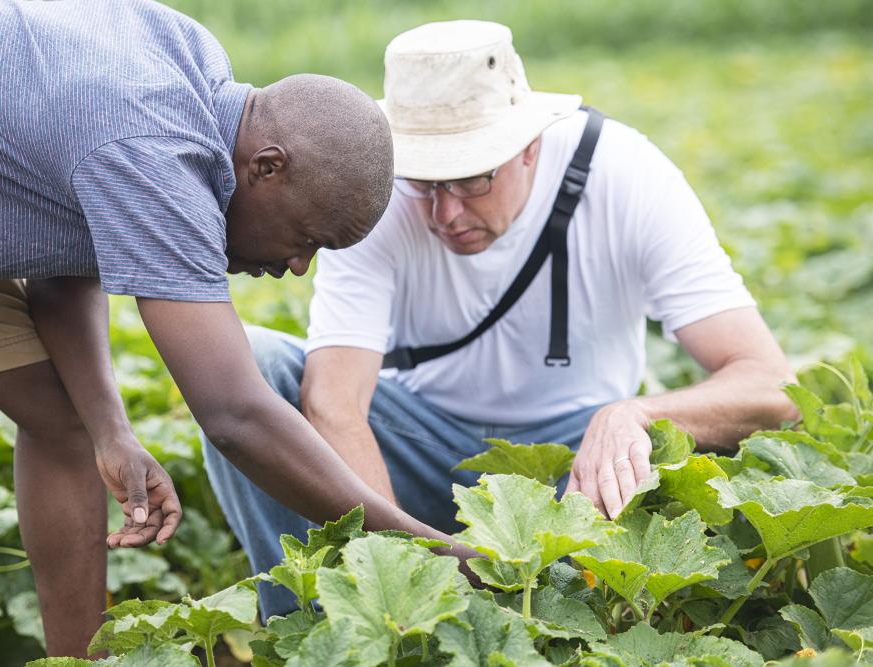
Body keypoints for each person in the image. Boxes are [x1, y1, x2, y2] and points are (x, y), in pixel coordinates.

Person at [0, 0, 460, 656]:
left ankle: (79, 660)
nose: (296, 267)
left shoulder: (192, 70)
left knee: (65, 421)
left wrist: (111, 431)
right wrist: (429, 547)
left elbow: (65, 266)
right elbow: (235, 413)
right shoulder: (153, 139)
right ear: (266, 167)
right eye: (306, 238)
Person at [201, 19, 800, 619]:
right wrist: (403, 575)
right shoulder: (370, 191)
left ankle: (578, 594)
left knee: (698, 448)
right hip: (422, 450)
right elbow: (335, 402)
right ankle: (311, 628)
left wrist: (634, 414)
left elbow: (769, 385)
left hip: (576, 464)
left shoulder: (626, 174)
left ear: (530, 145)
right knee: (249, 368)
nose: (445, 212)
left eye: (470, 179)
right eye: (425, 182)